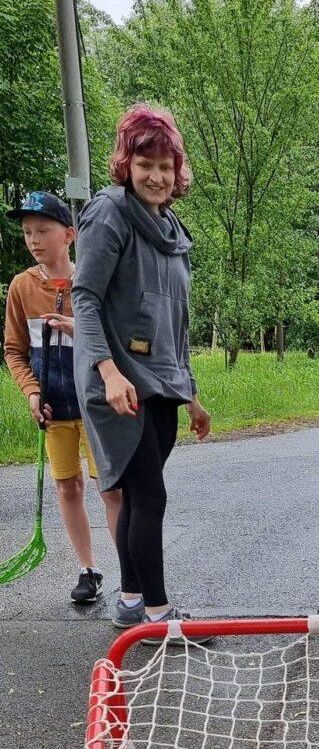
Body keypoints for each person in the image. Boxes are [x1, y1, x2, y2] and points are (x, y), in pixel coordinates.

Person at [72, 104, 211, 628]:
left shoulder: (173, 230)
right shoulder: (110, 213)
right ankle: (157, 613)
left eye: (165, 165)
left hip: (162, 384)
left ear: (178, 171)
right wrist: (107, 371)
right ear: (125, 163)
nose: (156, 176)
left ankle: (131, 601)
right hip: (117, 385)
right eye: (144, 162)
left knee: (136, 494)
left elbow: (174, 321)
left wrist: (191, 393)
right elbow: (84, 297)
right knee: (150, 494)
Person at [3, 192, 122, 604]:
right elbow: (14, 350)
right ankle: (88, 569)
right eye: (27, 233)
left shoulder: (92, 280)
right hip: (53, 410)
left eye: (43, 231)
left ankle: (133, 573)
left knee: (112, 489)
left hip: (96, 406)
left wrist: (77, 328)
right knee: (67, 487)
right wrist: (32, 392)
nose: (34, 240)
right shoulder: (21, 286)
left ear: (69, 235)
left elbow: (116, 341)